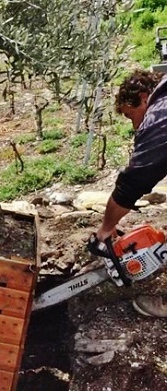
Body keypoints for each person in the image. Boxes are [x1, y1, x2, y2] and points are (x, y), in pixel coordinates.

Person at [96, 69, 167, 317]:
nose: (135, 125)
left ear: (144, 96)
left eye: (131, 115)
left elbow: (135, 181)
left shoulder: (159, 116)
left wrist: (107, 226)